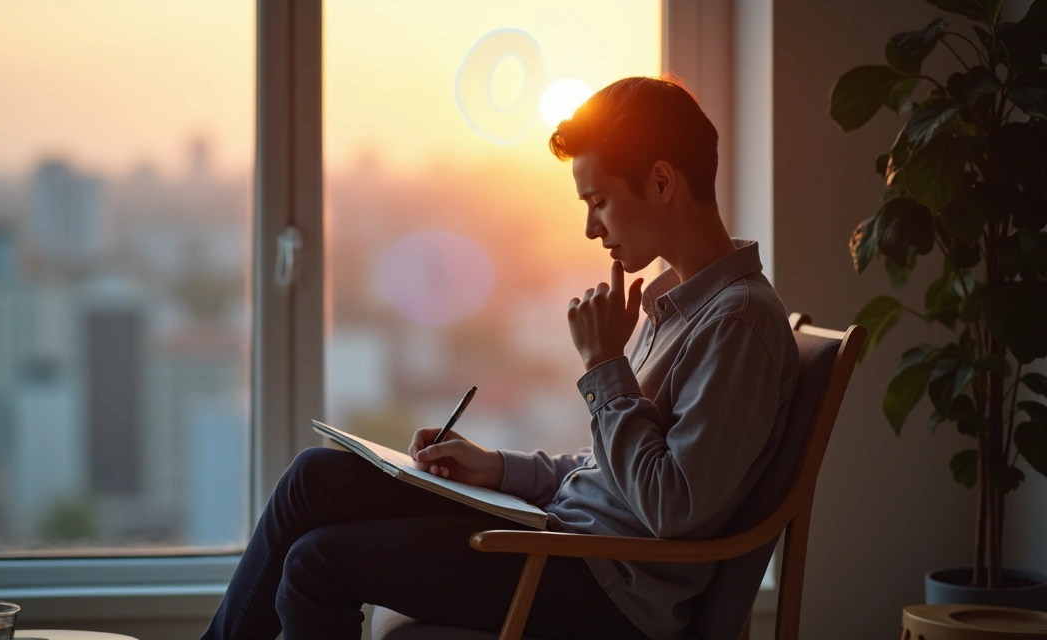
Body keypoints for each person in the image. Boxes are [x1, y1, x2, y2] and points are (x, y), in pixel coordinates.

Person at [200, 76, 799, 640]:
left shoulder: (739, 321)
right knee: (313, 477)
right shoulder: (677, 303)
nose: (592, 228)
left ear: (662, 183)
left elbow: (673, 505)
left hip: (600, 583)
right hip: (564, 538)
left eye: (599, 201)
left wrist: (603, 365)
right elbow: (612, 466)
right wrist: (498, 470)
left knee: (315, 563)